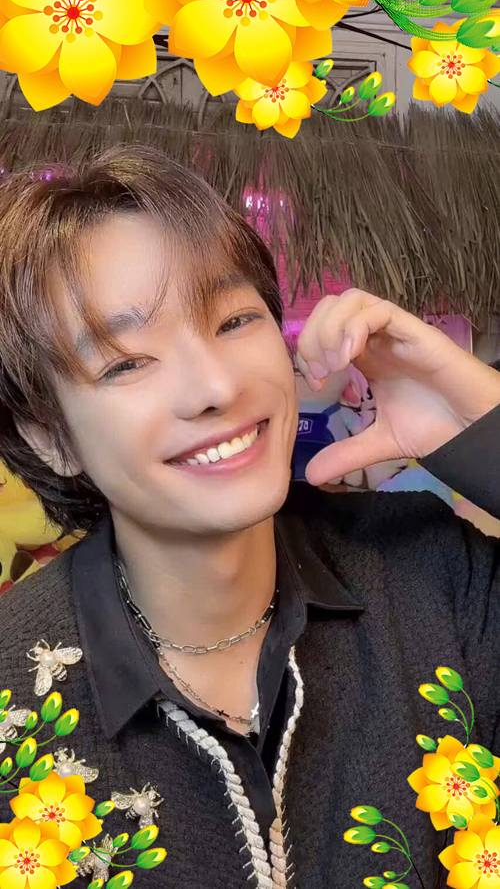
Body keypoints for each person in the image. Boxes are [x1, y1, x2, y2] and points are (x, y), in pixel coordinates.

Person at [0, 143, 499, 889]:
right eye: (126, 363)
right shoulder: (12, 691)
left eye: (234, 320)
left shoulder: (434, 578)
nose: (214, 388)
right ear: (53, 438)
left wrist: (484, 429)